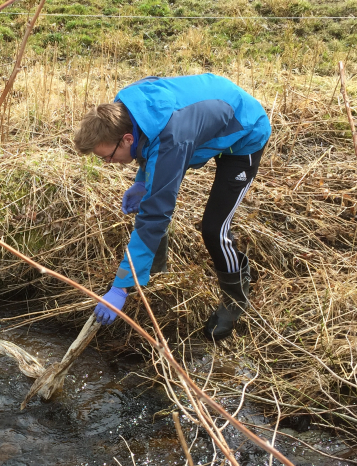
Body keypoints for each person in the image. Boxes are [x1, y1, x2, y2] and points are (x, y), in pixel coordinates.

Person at [73, 74, 271, 340]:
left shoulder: (172, 142)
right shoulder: (126, 105)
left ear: (127, 139)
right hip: (203, 117)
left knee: (214, 228)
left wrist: (120, 287)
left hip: (244, 130)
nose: (108, 163)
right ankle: (152, 270)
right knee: (151, 197)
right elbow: (149, 134)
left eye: (107, 156)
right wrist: (143, 182)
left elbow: (155, 216)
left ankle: (235, 302)